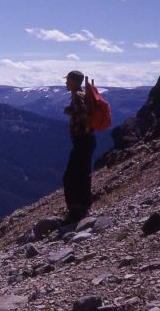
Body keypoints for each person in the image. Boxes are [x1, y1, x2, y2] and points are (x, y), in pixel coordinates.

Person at [61, 70, 96, 224]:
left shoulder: (77, 96)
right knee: (82, 173)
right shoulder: (83, 94)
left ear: (74, 82)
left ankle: (75, 210)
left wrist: (72, 111)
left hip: (82, 140)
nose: (66, 83)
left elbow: (83, 113)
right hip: (88, 140)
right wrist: (71, 111)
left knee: (70, 176)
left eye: (68, 80)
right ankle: (84, 204)